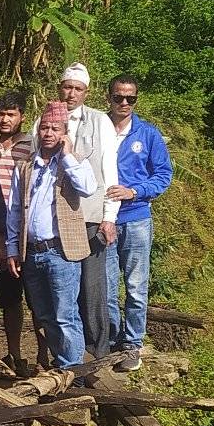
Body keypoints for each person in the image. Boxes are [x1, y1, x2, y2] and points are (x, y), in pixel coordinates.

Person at [2, 102, 98, 368]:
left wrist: (67, 156)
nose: (48, 133)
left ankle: (72, 373)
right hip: (32, 252)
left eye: (55, 128)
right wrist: (12, 248)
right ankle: (62, 364)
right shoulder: (25, 166)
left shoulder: (73, 161)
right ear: (37, 131)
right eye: (44, 127)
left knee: (65, 315)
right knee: (44, 315)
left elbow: (88, 188)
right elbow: (14, 210)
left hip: (61, 252)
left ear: (64, 132)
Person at [103, 75, 172, 372]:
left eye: (130, 98)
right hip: (102, 218)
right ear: (108, 97)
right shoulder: (97, 128)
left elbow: (163, 175)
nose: (124, 103)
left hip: (136, 217)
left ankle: (132, 343)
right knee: (104, 287)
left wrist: (134, 191)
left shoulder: (148, 134)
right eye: (119, 97)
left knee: (135, 285)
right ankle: (109, 337)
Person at [57, 63, 122, 359]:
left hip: (90, 216)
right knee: (62, 287)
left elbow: (110, 172)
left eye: (77, 89)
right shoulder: (46, 120)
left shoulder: (99, 122)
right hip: (56, 218)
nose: (71, 93)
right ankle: (65, 350)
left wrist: (109, 217)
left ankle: (98, 350)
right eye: (67, 87)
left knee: (92, 286)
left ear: (87, 92)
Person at [0, 90, 41, 378]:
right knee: (9, 298)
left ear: (22, 117)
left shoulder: (34, 148)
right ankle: (15, 354)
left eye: (11, 114)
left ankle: (43, 356)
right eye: (1, 114)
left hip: (31, 233)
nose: (5, 119)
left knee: (39, 298)